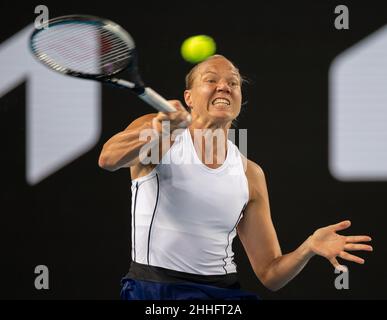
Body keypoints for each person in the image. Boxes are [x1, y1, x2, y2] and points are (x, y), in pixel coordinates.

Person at [98, 55, 373, 300]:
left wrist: (308, 247)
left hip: (223, 294)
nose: (224, 86)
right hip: (155, 291)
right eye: (211, 80)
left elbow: (271, 274)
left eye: (233, 83)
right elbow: (108, 160)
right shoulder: (157, 132)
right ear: (189, 97)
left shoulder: (250, 173)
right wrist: (160, 130)